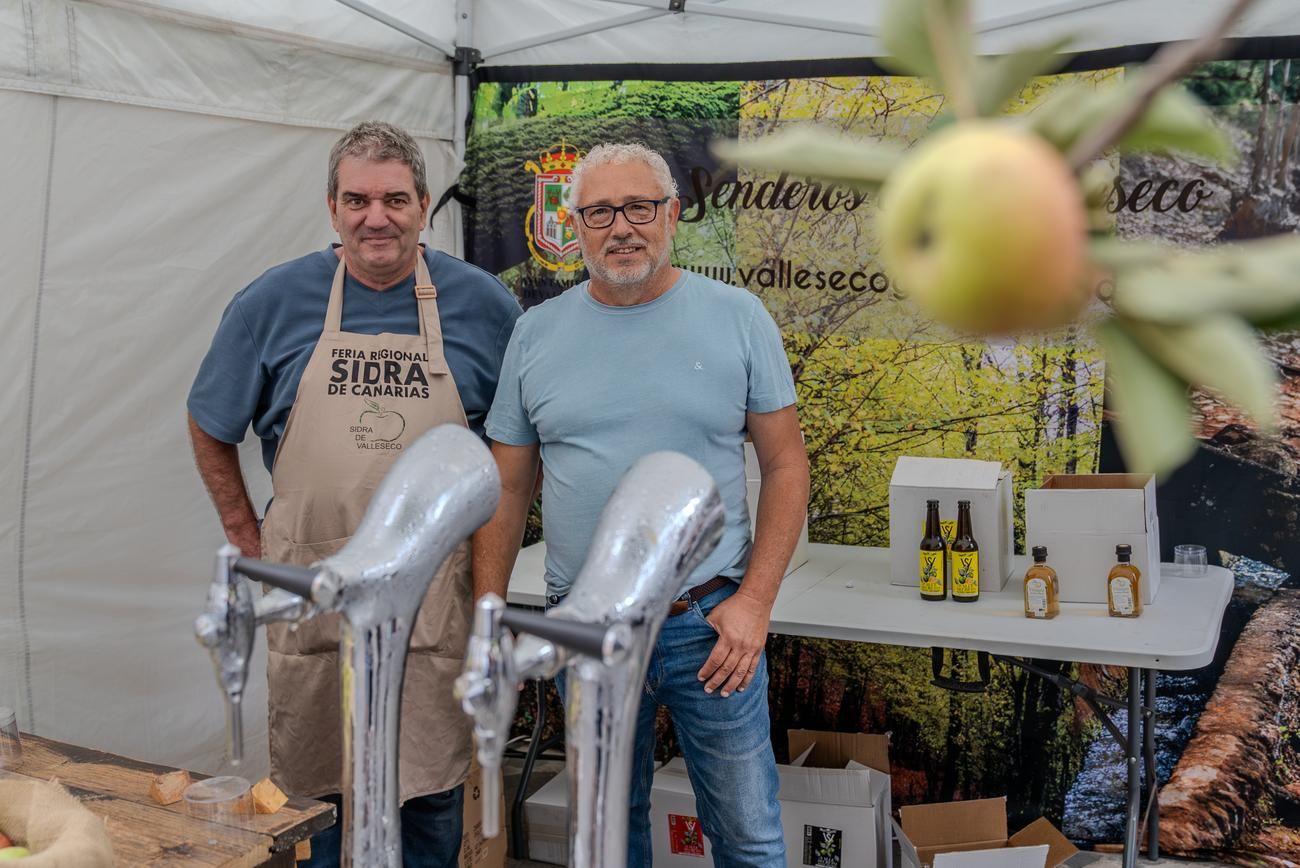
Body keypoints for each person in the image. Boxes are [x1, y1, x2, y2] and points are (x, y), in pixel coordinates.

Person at [187, 121, 521, 868]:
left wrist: (491, 587)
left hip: (433, 601)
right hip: (316, 595)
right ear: (332, 207)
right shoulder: (270, 303)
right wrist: (248, 537)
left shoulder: (484, 307)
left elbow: (513, 453)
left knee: (428, 788)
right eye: (359, 199)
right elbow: (209, 423)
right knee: (320, 795)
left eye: (396, 199)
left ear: (426, 205)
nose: (378, 217)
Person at [473, 142, 810, 867]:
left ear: (672, 215)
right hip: (584, 629)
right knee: (605, 841)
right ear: (575, 226)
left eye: (638, 207)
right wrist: (490, 613)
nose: (620, 227)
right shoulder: (536, 334)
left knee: (749, 839)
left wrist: (754, 602)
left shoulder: (738, 317)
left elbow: (786, 466)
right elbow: (506, 485)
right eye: (599, 212)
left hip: (709, 627)